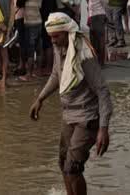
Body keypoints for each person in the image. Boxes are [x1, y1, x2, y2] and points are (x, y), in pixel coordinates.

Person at [30, 12, 113, 195]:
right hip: (69, 115)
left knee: (73, 168)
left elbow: (103, 92)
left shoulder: (84, 55)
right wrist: (40, 99)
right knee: (63, 163)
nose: (53, 41)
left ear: (67, 32)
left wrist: (103, 129)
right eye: (51, 37)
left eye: (56, 36)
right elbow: (55, 76)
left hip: (87, 117)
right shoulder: (60, 48)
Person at [22, 0, 45, 80]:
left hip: (29, 21)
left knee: (30, 49)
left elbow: (19, 1)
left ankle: (29, 74)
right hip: (38, 20)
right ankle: (38, 71)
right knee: (38, 49)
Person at [84, 0, 108, 65]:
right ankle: (97, 61)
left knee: (100, 39)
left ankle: (101, 61)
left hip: (98, 14)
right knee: (93, 39)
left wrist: (103, 12)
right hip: (93, 14)